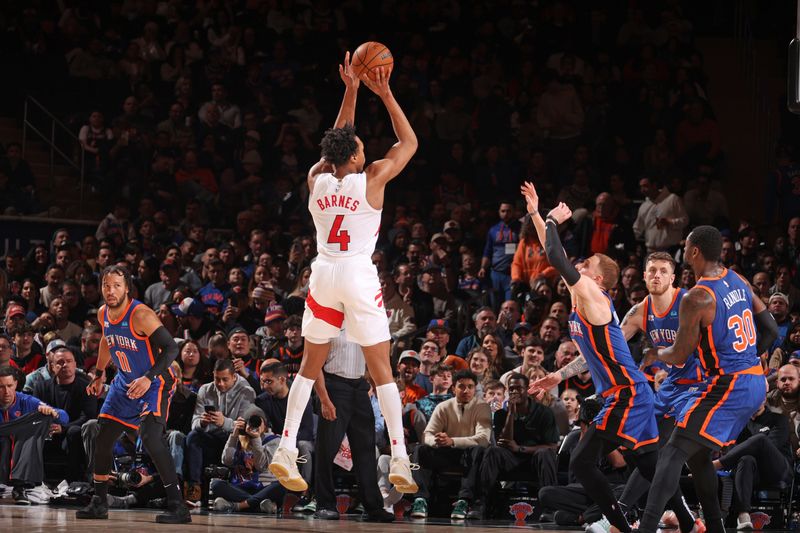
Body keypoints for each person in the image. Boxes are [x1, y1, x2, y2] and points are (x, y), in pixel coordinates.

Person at [268, 53, 418, 494]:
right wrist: (385, 94)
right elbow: (408, 143)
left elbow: (336, 141)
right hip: (356, 273)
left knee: (308, 368)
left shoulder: (316, 178)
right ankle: (402, 460)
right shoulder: (370, 178)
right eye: (360, 146)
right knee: (383, 369)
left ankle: (285, 447)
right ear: (355, 154)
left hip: (323, 272)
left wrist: (351, 90)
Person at [521, 182, 694, 533]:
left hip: (627, 394)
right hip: (631, 393)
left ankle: (620, 526)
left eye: (585, 264)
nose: (578, 265)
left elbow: (556, 256)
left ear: (597, 278)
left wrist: (553, 220)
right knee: (648, 467)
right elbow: (550, 250)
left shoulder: (594, 297)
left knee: (584, 463)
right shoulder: (583, 296)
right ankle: (690, 523)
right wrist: (537, 214)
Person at [633, 226, 778, 533]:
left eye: (686, 248)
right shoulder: (737, 279)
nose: (684, 252)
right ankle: (715, 527)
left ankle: (645, 528)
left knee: (671, 452)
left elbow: (680, 354)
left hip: (730, 386)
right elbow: (771, 330)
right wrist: (751, 365)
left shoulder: (697, 297)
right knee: (698, 457)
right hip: (749, 379)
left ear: (694, 251)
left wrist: (654, 353)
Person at [76, 265, 190, 523]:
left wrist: (148, 378)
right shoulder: (103, 312)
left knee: (151, 438)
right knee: (102, 435)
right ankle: (99, 502)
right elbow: (107, 339)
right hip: (125, 382)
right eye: (106, 285)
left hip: (156, 381)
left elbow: (171, 349)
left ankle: (178, 506)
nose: (110, 290)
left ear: (127, 288)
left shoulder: (141, 314)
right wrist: (99, 373)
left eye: (117, 285)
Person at [312, 330, 394, 522]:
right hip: (334, 385)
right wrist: (323, 398)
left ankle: (373, 507)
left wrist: (382, 395)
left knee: (366, 450)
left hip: (360, 387)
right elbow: (314, 365)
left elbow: (376, 362)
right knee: (327, 450)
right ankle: (324, 504)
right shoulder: (329, 325)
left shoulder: (364, 324)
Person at [409, 370, 492, 520]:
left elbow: (483, 439)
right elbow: (427, 434)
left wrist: (452, 441)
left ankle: (464, 501)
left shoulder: (482, 407)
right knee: (420, 449)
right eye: (461, 386)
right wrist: (437, 441)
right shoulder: (443, 406)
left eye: (470, 386)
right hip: (447, 452)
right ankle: (420, 499)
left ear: (475, 388)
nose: (466, 390)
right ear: (453, 388)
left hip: (469, 454)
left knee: (478, 450)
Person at [0, 366, 68, 504]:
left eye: (9, 386)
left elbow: (64, 416)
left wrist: (52, 413)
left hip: (20, 443)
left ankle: (21, 486)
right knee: (5, 441)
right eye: (1, 387)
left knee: (32, 429)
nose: (6, 392)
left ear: (16, 385)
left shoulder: (26, 401)